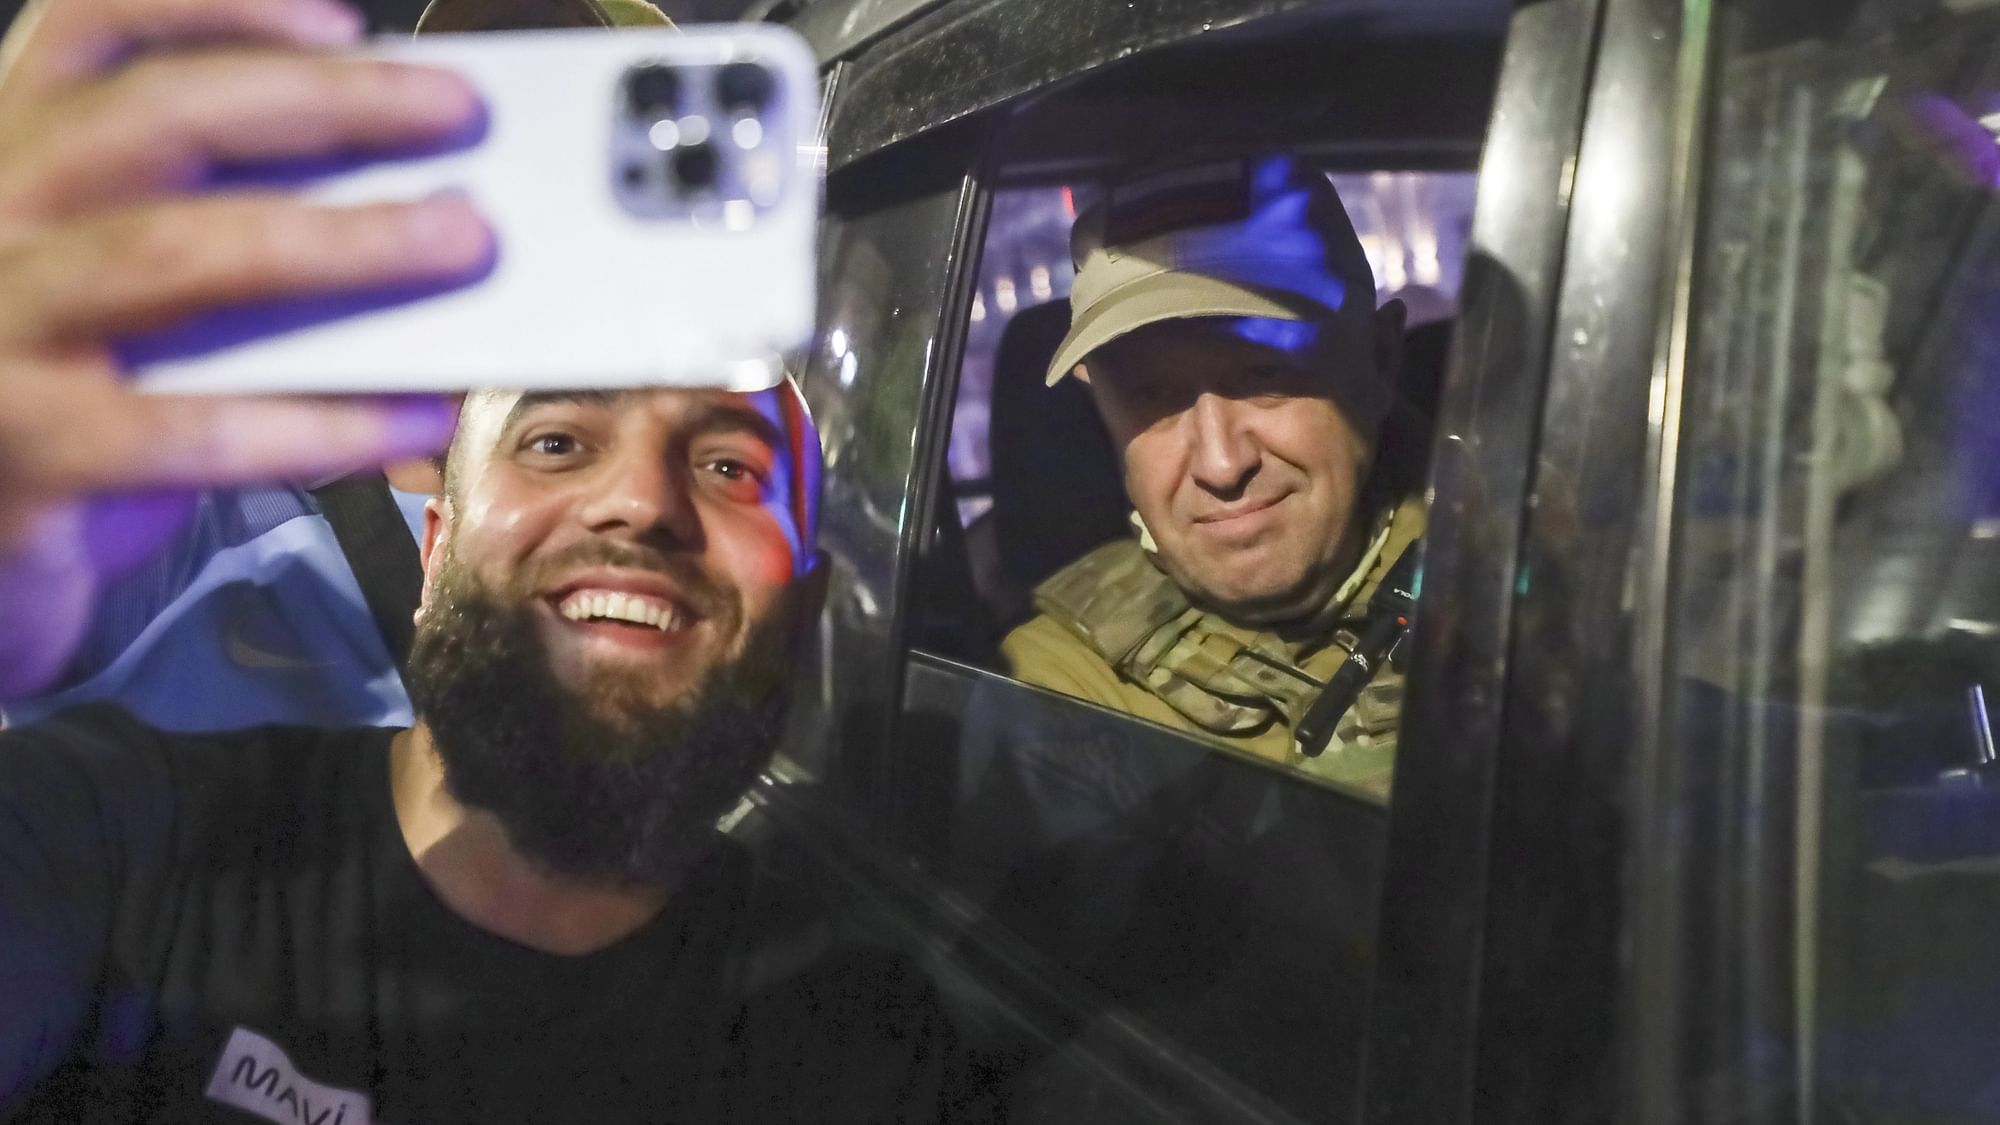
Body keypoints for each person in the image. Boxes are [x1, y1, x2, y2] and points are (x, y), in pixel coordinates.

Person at [0, 1, 953, 1120]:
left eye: (576, 155)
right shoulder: (156, 519)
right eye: (476, 145)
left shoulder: (841, 1030)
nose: (638, 501)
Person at [0, 0, 674, 735]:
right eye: (492, 136)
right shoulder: (211, 494)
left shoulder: (687, 536)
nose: (526, 198)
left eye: (594, 166)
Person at [1001, 154, 1426, 802]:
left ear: (1379, 358)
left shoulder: (1533, 596)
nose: (1222, 464)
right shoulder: (1058, 688)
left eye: (1265, 374)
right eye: (1152, 397)